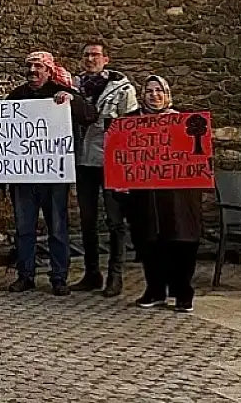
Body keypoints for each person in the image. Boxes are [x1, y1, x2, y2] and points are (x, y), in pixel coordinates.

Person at [6, 51, 93, 296]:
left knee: (57, 227)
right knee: (24, 228)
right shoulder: (17, 96)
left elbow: (89, 114)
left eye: (38, 68)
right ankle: (25, 275)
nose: (33, 72)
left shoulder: (62, 92)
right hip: (23, 177)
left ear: (48, 70)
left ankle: (58, 277)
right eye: (29, 68)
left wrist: (72, 100)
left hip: (54, 177)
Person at [124, 76, 202, 313]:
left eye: (159, 90)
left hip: (177, 196)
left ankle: (182, 293)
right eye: (149, 90)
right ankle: (155, 290)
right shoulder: (131, 123)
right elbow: (123, 157)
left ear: (167, 94)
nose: (154, 95)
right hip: (145, 196)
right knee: (149, 242)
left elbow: (198, 156)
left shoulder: (182, 122)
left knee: (181, 242)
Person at [72, 42, 138, 297]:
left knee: (114, 221)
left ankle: (115, 275)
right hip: (83, 162)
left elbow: (130, 126)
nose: (90, 59)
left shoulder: (122, 89)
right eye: (86, 55)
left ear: (106, 59)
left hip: (111, 163)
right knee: (87, 220)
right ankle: (91, 274)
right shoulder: (74, 87)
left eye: (95, 55)